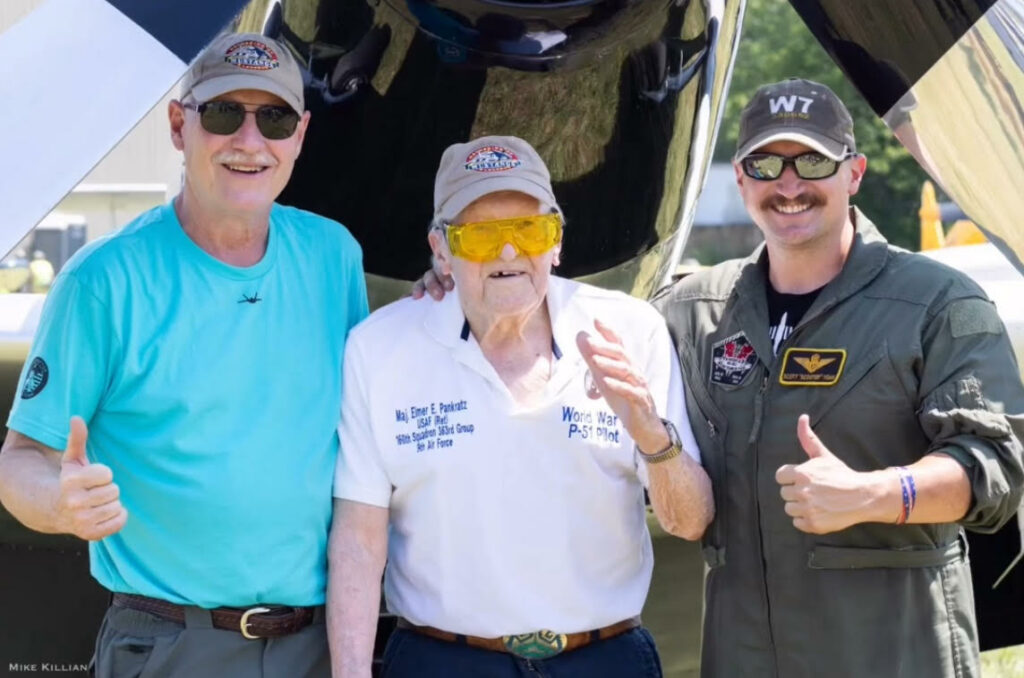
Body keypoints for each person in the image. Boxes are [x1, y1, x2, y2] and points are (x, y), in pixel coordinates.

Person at [0, 33, 368, 678]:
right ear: (179, 124)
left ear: (301, 134)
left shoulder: (334, 256)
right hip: (173, 642)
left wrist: (446, 293)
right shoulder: (102, 281)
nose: (250, 142)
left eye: (275, 119)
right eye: (225, 114)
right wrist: (60, 504)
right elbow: (21, 461)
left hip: (319, 641)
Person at [652, 78, 1024, 678]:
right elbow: (564, 328)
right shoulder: (692, 311)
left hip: (895, 655)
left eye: (813, 161)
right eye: (767, 163)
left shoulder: (938, 303)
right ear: (742, 180)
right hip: (745, 657)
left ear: (854, 173)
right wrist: (447, 285)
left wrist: (877, 493)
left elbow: (995, 467)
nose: (789, 184)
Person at [327, 135, 714, 678]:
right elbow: (358, 543)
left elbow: (690, 522)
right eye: (481, 238)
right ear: (441, 248)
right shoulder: (379, 347)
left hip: (603, 659)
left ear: (556, 241)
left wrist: (652, 434)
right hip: (445, 660)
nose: (509, 253)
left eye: (529, 231)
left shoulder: (631, 330)